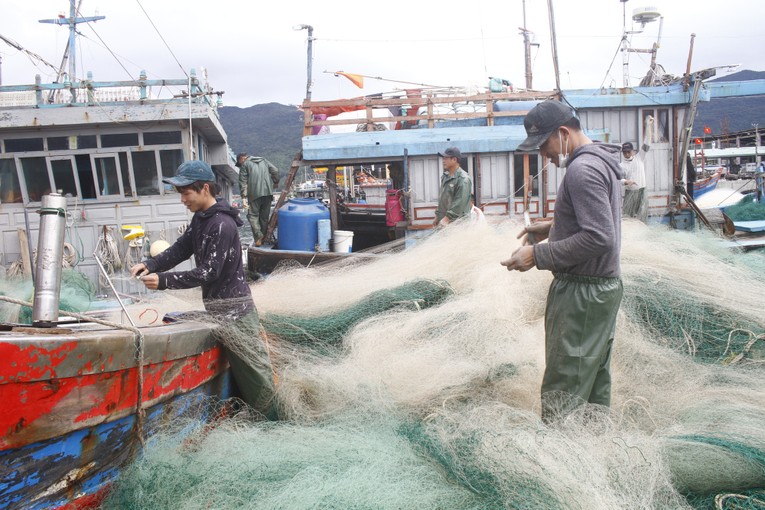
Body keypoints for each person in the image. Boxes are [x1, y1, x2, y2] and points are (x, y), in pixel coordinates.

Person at [500, 100, 624, 423]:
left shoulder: (582, 171)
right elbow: (595, 224)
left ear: (564, 133)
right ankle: (593, 457)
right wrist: (552, 228)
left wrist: (537, 255)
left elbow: (600, 237)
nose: (545, 155)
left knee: (564, 392)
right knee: (593, 389)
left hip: (582, 296)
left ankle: (559, 465)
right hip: (600, 291)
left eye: (544, 145)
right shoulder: (602, 163)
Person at [130, 160, 277, 418]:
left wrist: (163, 281)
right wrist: (149, 264)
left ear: (205, 189)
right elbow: (179, 249)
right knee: (244, 379)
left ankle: (275, 425)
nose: (183, 200)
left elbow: (209, 272)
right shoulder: (201, 219)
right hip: (220, 314)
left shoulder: (221, 224)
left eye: (186, 193)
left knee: (258, 381)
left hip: (237, 316)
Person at [236, 152, 280, 247]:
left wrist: (244, 197)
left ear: (241, 159)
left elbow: (242, 181)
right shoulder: (263, 160)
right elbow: (275, 170)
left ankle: (259, 236)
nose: (240, 165)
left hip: (254, 194)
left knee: (252, 216)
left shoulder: (245, 164)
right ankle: (263, 239)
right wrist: (276, 182)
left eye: (239, 163)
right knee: (264, 217)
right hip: (268, 193)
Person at [620, 117, 653, 222]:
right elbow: (616, 180)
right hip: (630, 193)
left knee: (642, 218)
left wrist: (648, 126)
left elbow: (647, 142)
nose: (626, 154)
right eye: (624, 152)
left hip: (642, 192)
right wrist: (625, 181)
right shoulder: (621, 165)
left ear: (633, 151)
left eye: (628, 152)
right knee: (627, 218)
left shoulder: (640, 157)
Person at [433, 147, 472, 227]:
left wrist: (447, 218)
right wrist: (437, 216)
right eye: (443, 158)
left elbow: (460, 202)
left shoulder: (463, 179)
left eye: (446, 158)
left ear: (454, 159)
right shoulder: (445, 176)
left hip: (457, 224)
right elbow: (443, 199)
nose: (443, 161)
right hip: (444, 221)